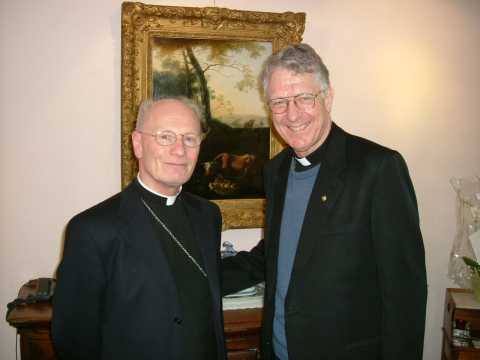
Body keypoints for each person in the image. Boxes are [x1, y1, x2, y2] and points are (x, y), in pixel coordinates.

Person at [222, 44, 427, 360]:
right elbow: (275, 256)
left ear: (328, 97)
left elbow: (405, 293)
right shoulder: (275, 172)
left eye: (305, 98)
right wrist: (195, 277)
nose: (292, 114)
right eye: (279, 102)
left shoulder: (377, 168)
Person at [52, 97, 226, 360]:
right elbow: (74, 340)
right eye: (165, 137)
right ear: (138, 144)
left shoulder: (208, 215)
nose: (180, 150)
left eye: (190, 138)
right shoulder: (91, 229)